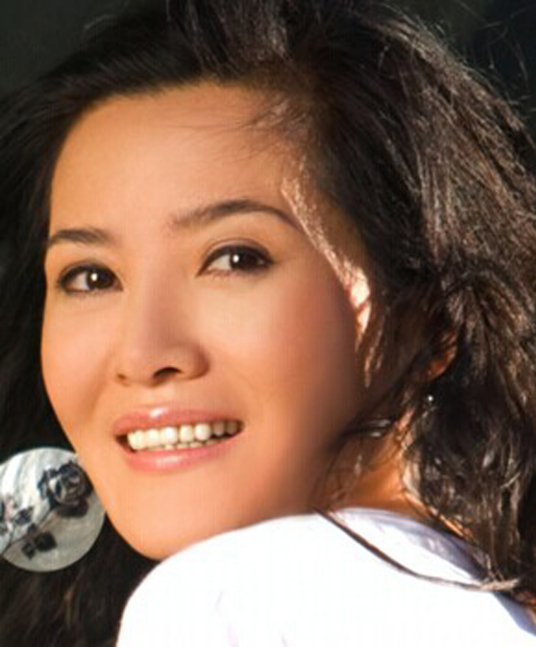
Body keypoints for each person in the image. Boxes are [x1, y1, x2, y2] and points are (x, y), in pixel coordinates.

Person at [0, 0, 535, 645]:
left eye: (234, 259)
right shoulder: (478, 608)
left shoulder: (232, 599)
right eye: (91, 277)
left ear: (427, 316)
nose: (143, 354)